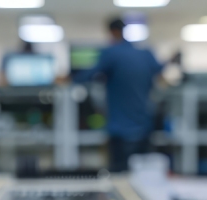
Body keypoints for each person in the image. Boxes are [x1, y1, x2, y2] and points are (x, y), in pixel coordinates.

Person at [71, 18, 180, 172]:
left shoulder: (111, 53)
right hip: (143, 126)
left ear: (112, 32)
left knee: (119, 175)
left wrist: (69, 78)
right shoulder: (145, 54)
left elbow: (89, 74)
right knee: (142, 174)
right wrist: (172, 59)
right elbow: (160, 68)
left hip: (119, 129)